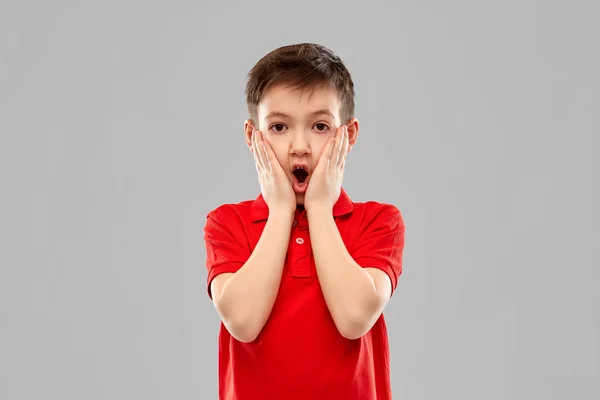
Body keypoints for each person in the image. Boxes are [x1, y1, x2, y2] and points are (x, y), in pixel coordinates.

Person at [203, 43, 406, 400]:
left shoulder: (378, 221)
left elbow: (355, 317)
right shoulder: (226, 223)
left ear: (349, 134)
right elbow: (243, 322)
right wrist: (281, 211)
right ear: (253, 137)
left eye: (320, 126)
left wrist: (320, 209)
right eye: (279, 127)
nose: (300, 146)